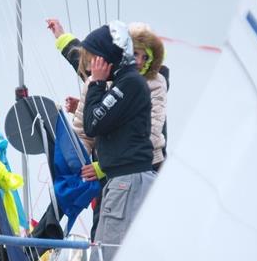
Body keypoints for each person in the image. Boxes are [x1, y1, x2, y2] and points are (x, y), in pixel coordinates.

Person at [79, 22, 155, 261]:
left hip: (127, 181)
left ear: (107, 58)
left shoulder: (129, 84)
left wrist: (97, 83)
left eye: (94, 59)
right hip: (122, 179)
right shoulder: (125, 83)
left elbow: (93, 124)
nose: (90, 65)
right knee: (103, 254)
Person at [46, 18, 168, 171]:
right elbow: (82, 58)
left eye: (145, 57)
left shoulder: (154, 84)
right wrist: (74, 163)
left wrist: (101, 168)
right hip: (106, 166)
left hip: (144, 166)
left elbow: (149, 135)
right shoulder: (103, 76)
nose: (138, 61)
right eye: (134, 52)